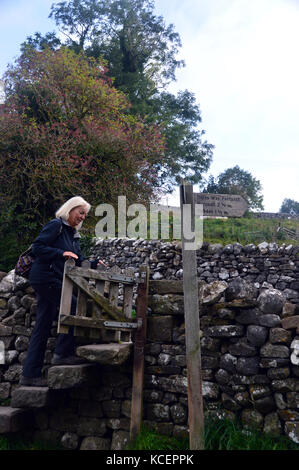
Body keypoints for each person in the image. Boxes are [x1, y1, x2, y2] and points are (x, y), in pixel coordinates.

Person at [19, 196, 104, 387]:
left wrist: (94, 263)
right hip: (45, 278)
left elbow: (78, 258)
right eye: (81, 212)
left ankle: (29, 375)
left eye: (85, 215)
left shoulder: (72, 234)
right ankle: (62, 354)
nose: (83, 217)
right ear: (71, 209)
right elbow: (38, 247)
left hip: (54, 279)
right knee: (73, 306)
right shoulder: (56, 225)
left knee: (42, 325)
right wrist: (60, 253)